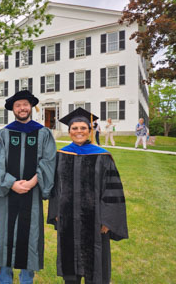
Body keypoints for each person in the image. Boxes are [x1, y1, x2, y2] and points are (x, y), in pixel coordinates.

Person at [47, 107, 128, 284]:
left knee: (96, 267)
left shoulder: (102, 156)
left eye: (83, 128)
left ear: (90, 131)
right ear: (69, 132)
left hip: (96, 220)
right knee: (70, 264)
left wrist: (107, 220)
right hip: (67, 218)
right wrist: (55, 212)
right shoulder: (61, 155)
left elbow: (112, 190)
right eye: (74, 128)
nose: (79, 132)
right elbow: (54, 188)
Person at [0, 90, 56, 284]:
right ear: (13, 109)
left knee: (30, 236)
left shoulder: (43, 133)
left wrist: (33, 182)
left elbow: (48, 161)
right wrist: (11, 183)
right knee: (5, 236)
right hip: (8, 195)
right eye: (18, 105)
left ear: (31, 107)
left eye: (25, 104)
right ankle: (5, 279)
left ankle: (27, 279)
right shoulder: (3, 134)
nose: (22, 108)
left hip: (31, 195)